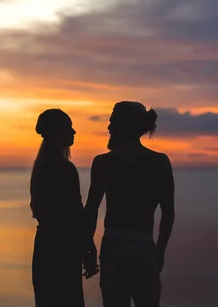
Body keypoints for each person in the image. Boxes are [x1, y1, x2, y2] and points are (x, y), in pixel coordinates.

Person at [84, 101, 175, 307]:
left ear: (124, 126)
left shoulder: (103, 163)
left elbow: (91, 209)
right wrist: (159, 250)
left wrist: (88, 245)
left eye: (113, 122)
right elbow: (168, 214)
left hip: (114, 249)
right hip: (144, 248)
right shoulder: (159, 162)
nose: (108, 128)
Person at [30, 108, 98, 307]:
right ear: (57, 131)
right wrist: (88, 246)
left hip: (45, 247)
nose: (74, 132)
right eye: (69, 127)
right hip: (64, 250)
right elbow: (75, 214)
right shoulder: (64, 169)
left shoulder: (40, 168)